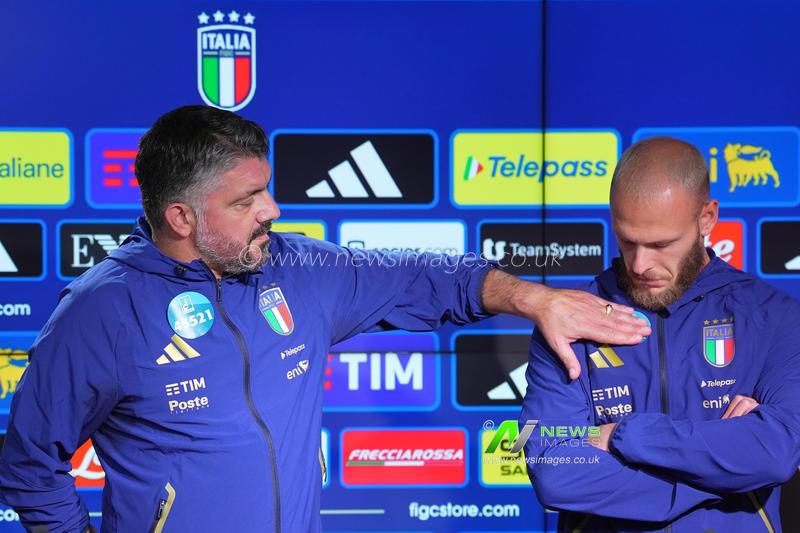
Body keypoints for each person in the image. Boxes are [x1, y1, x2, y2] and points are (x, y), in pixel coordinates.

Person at [0, 105, 648, 533]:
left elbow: (428, 277)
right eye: (247, 199)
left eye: (267, 188)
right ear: (181, 217)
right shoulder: (101, 311)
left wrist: (535, 299)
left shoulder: (298, 269)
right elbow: (29, 465)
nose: (272, 209)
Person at [519, 136, 800, 532]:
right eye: (627, 240)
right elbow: (555, 471)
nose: (640, 264)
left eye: (660, 244)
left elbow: (776, 453)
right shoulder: (568, 320)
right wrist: (728, 472)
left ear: (707, 218)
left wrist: (623, 436)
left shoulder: (775, 317)